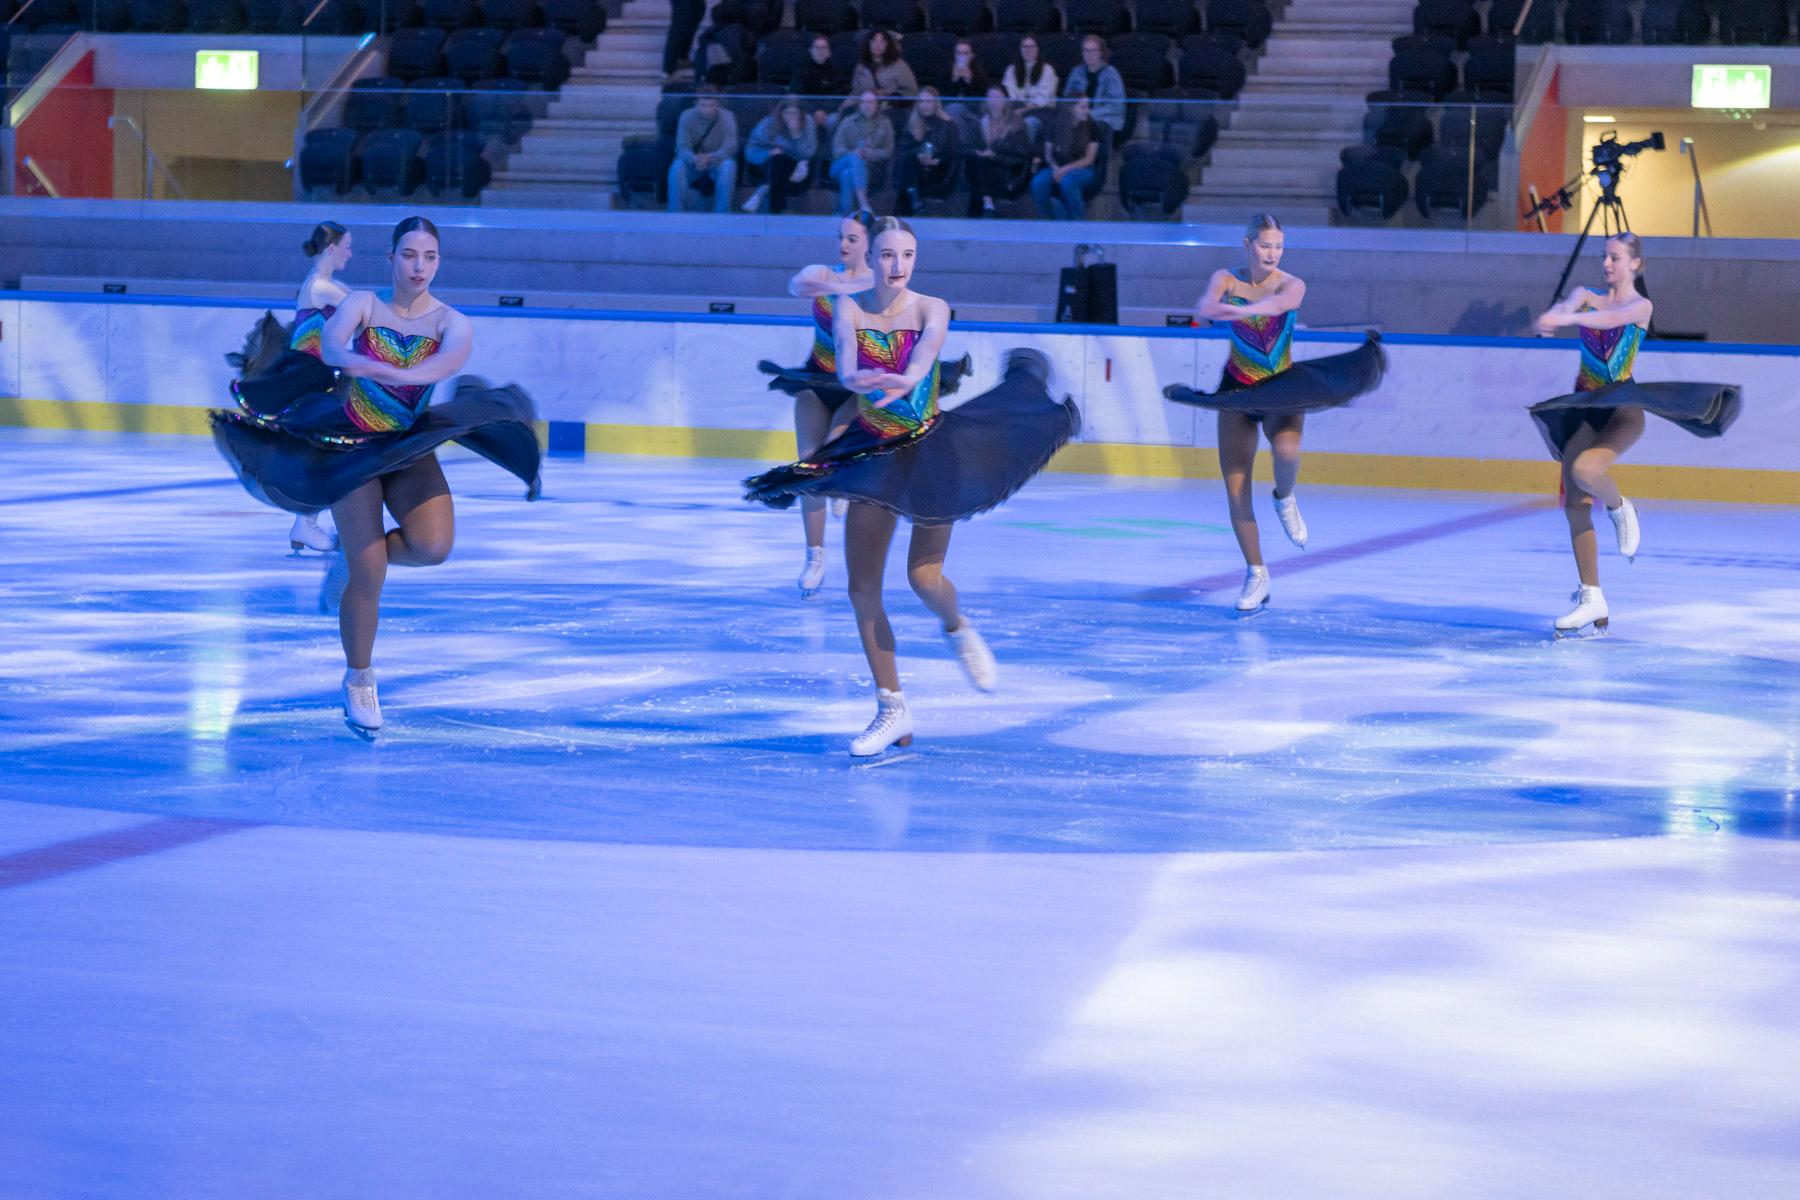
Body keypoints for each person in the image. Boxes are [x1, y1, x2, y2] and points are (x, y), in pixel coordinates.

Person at [744, 218, 1081, 756]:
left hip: (929, 450)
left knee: (924, 578)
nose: (897, 266)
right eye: (886, 256)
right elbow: (850, 368)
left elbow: (924, 358)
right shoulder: (850, 309)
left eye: (907, 255)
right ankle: (891, 707)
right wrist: (863, 382)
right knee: (861, 588)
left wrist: (903, 378)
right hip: (873, 453)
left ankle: (957, 625)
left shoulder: (932, 307)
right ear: (871, 260)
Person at [211, 217, 541, 733]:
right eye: (409, 255)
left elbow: (446, 364)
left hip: (406, 446)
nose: (419, 267)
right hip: (349, 447)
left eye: (429, 257)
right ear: (391, 258)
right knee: (370, 575)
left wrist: (393, 373)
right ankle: (359, 678)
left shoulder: (452, 321)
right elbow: (337, 347)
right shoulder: (363, 303)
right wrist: (369, 366)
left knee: (433, 547)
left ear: (439, 262)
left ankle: (350, 550)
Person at [1162, 214, 1385, 613]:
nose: (1272, 253)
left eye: (1278, 246)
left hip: (1282, 388)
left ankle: (1284, 497)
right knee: (1235, 488)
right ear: (1247, 244)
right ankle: (1257, 573)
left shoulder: (1291, 283)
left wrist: (1241, 311)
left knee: (1287, 453)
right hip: (1236, 392)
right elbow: (1205, 306)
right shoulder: (1225, 278)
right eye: (1265, 245)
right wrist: (1227, 308)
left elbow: (1281, 304)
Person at [1528, 233, 1741, 637]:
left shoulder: (1641, 306)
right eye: (1604, 256)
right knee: (1574, 503)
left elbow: (1608, 321)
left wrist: (1568, 320)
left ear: (1635, 265)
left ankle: (1621, 507)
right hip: (1584, 408)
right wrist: (1551, 317)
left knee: (1588, 472)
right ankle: (1592, 597)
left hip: (1623, 408)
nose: (1607, 263)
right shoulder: (1585, 295)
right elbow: (1565, 306)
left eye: (1616, 257)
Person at [225, 220, 355, 554]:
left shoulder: (324, 284)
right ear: (331, 249)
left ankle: (306, 522)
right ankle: (307, 522)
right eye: (347, 247)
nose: (350, 254)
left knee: (325, 449)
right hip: (308, 377)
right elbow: (363, 309)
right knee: (326, 448)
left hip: (317, 376)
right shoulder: (321, 287)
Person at [667, 84, 739, 214]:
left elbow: (730, 146)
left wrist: (711, 157)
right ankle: (675, 213)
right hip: (693, 162)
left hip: (717, 162)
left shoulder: (728, 117)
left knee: (729, 165)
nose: (707, 109)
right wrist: (694, 159)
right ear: (696, 104)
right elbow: (682, 146)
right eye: (703, 105)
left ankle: (722, 214)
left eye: (711, 105)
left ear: (718, 104)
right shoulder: (686, 116)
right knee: (677, 167)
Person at [962, 86, 1034, 217]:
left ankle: (986, 204)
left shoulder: (1016, 124)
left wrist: (995, 156)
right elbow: (965, 148)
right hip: (982, 171)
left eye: (997, 97)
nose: (993, 101)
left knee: (981, 171)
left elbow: (1020, 157)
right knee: (979, 164)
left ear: (1006, 100)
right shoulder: (978, 122)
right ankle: (987, 201)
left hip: (1008, 172)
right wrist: (978, 153)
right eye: (990, 97)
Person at [742, 97, 819, 214]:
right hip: (768, 167)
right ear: (780, 113)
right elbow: (750, 152)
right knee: (778, 160)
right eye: (787, 113)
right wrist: (768, 153)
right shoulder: (768, 124)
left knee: (779, 163)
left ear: (801, 113)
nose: (791, 117)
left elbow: (809, 153)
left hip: (798, 169)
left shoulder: (808, 122)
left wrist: (796, 134)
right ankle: (779, 210)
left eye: (795, 113)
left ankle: (762, 193)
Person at [1029, 95, 1099, 219]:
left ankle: (1077, 223)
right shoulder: (1054, 124)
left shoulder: (1092, 126)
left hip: (1083, 169)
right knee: (1038, 183)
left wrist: (1065, 169)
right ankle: (1048, 222)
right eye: (1083, 107)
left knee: (1068, 181)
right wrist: (1055, 168)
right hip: (1056, 166)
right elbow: (1048, 154)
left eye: (1088, 107)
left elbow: (1089, 159)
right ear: (1071, 109)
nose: (1087, 111)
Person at [894, 87, 959, 217]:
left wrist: (937, 160)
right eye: (922, 102)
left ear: (936, 103)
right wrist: (918, 155)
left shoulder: (948, 125)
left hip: (939, 171)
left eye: (929, 101)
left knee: (906, 179)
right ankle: (914, 198)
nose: (925, 105)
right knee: (907, 161)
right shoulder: (912, 123)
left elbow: (953, 152)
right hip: (916, 170)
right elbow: (903, 148)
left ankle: (911, 200)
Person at [830, 91, 894, 215]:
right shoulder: (848, 121)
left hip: (870, 168)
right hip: (840, 164)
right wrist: (852, 153)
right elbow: (836, 149)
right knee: (855, 158)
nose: (866, 105)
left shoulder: (885, 123)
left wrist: (871, 154)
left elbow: (889, 150)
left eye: (870, 102)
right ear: (859, 105)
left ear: (877, 105)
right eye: (863, 102)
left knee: (848, 174)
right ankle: (864, 204)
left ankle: (845, 212)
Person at [1061, 35, 1128, 145]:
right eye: (1086, 51)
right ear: (1082, 53)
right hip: (1079, 116)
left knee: (1092, 127)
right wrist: (1076, 112)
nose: (1089, 54)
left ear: (1101, 52)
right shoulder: (1076, 72)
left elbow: (1117, 105)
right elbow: (1067, 97)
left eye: (1093, 50)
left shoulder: (1111, 73)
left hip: (1104, 119)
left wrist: (1090, 114)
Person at [791, 33, 851, 130]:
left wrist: (825, 111)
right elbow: (798, 93)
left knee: (834, 120)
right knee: (807, 120)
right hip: (807, 112)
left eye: (823, 48)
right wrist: (814, 111)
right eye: (817, 47)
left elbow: (840, 94)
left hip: (830, 112)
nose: (820, 51)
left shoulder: (837, 71)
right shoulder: (801, 70)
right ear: (810, 50)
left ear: (829, 52)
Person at [1002, 33, 1058, 132]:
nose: (1028, 50)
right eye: (1025, 47)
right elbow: (1010, 95)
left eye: (1032, 46)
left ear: (1038, 49)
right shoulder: (1011, 70)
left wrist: (1023, 110)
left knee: (1028, 123)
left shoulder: (1047, 70)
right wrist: (1018, 109)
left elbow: (1041, 101)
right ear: (1020, 49)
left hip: (1040, 113)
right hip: (1015, 110)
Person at [847, 29, 919, 104]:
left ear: (887, 44)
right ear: (868, 44)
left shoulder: (899, 65)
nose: (878, 45)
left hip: (891, 109)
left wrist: (888, 95)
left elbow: (911, 92)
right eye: (874, 41)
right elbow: (855, 93)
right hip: (865, 108)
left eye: (882, 41)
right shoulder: (861, 67)